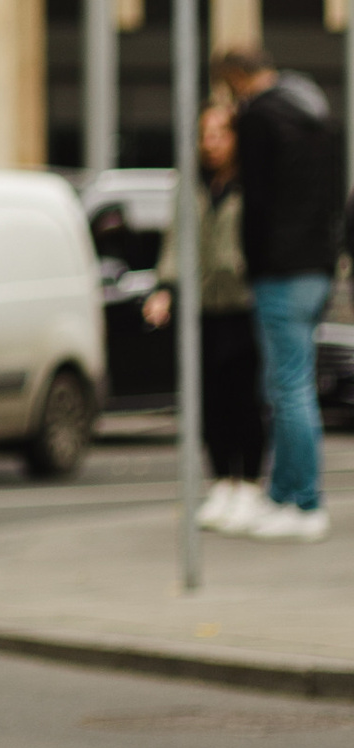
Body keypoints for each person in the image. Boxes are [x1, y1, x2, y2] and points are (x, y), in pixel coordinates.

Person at [208, 44, 341, 543]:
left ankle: (302, 501)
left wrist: (253, 258)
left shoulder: (261, 118)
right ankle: (286, 494)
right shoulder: (315, 110)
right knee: (291, 383)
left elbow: (257, 200)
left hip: (280, 270)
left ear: (236, 78)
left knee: (288, 388)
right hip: (316, 266)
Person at [143, 100, 265, 529]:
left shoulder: (253, 182)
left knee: (243, 397)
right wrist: (165, 288)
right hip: (202, 304)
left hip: (245, 302)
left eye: (220, 134)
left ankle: (248, 483)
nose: (211, 144)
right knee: (209, 399)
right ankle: (220, 484)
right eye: (205, 135)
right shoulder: (191, 183)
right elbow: (176, 241)